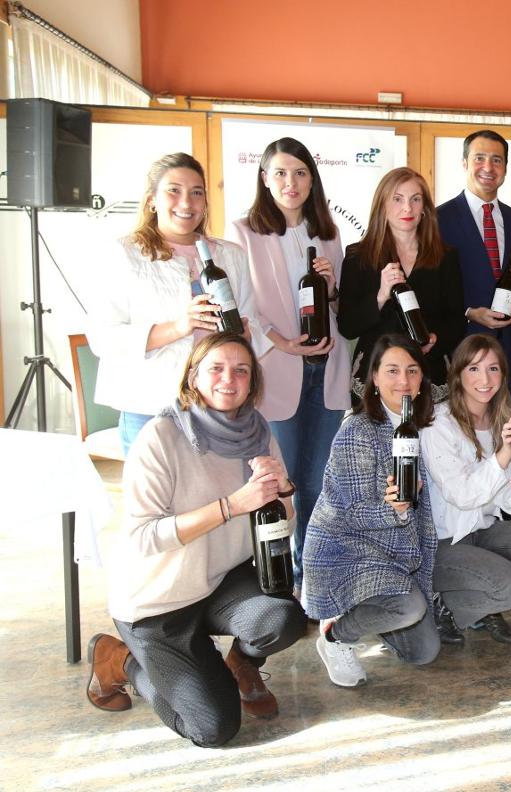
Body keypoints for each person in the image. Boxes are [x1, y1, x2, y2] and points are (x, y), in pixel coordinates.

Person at [85, 332, 303, 747]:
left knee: (283, 617)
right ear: (193, 379)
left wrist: (284, 493)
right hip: (158, 602)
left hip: (218, 580)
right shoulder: (161, 437)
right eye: (216, 369)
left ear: (253, 382)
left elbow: (282, 528)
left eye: (241, 370)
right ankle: (122, 660)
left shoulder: (259, 433)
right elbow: (143, 537)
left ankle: (240, 663)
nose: (229, 379)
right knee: (212, 729)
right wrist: (231, 506)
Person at [229, 137, 351, 588]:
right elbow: (243, 309)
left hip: (328, 372)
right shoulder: (244, 233)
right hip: (277, 371)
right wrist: (283, 343)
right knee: (282, 483)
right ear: (264, 179)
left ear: (312, 180)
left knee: (318, 482)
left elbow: (343, 312)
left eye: (300, 172)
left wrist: (333, 287)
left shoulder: (329, 233)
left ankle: (309, 576)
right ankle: (274, 579)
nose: (291, 182)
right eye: (280, 172)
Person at [88, 152, 262, 455]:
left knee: (218, 498)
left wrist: (245, 337)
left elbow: (251, 321)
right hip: (150, 405)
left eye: (197, 193)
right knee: (154, 501)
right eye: (174, 191)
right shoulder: (123, 254)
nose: (186, 202)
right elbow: (103, 339)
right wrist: (180, 327)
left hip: (218, 406)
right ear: (152, 200)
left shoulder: (230, 255)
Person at [301, 334, 440, 687]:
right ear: (374, 378)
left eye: (412, 370)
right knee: (408, 607)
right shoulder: (358, 430)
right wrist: (394, 508)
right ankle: (336, 635)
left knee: (423, 652)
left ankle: (371, 615)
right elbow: (356, 513)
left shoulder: (425, 427)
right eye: (392, 371)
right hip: (346, 551)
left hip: (398, 553)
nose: (404, 381)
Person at [421, 335, 511, 645]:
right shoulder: (438, 424)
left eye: (493, 368)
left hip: (481, 531)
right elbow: (464, 495)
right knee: (510, 589)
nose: (485, 379)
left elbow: (506, 499)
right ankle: (440, 606)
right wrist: (505, 453)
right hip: (443, 542)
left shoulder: (503, 420)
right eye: (474, 369)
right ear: (458, 375)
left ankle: (482, 606)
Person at [338, 167, 463, 389]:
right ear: (382, 206)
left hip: (429, 373)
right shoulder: (358, 256)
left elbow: (456, 321)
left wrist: (435, 339)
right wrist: (381, 295)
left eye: (416, 199)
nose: (407, 207)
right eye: (397, 199)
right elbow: (348, 326)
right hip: (375, 376)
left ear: (424, 208)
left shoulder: (446, 256)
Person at [437, 130, 511, 407]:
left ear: (505, 167)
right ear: (464, 163)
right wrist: (469, 311)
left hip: (509, 353)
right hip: (460, 347)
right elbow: (429, 290)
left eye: (497, 160)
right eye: (479, 158)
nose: (488, 167)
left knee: (508, 432)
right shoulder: (437, 220)